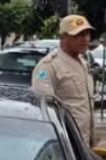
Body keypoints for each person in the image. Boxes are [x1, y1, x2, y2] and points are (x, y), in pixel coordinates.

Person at [31, 15, 97, 148]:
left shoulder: (83, 64)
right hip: (64, 144)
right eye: (78, 35)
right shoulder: (49, 66)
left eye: (87, 34)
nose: (84, 39)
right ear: (63, 37)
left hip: (83, 143)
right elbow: (43, 110)